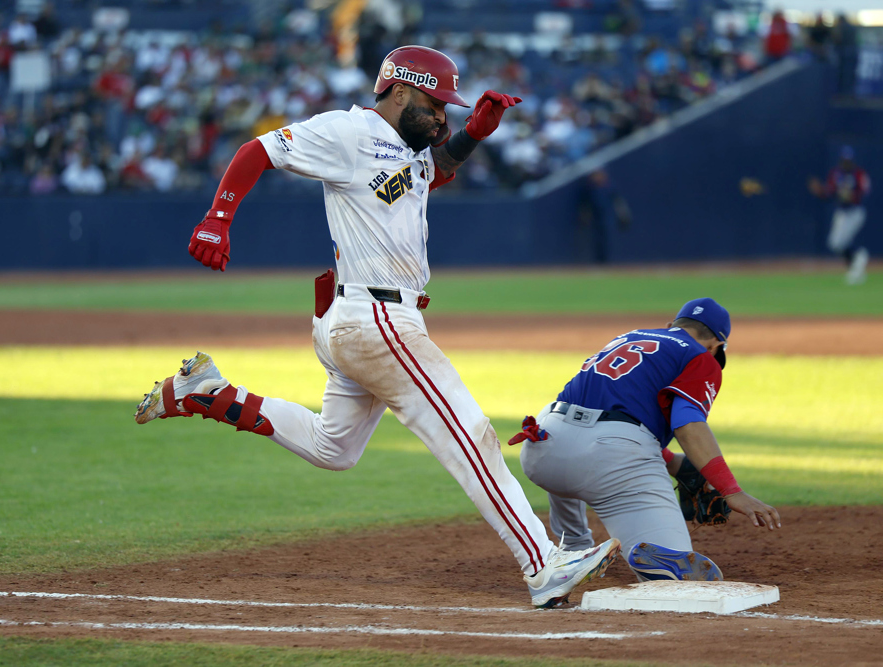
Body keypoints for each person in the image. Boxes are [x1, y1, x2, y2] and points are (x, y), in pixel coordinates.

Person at [134, 45, 621, 608]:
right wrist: (217, 219)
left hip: (358, 319)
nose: (442, 116)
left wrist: (472, 135)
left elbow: (428, 175)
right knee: (469, 435)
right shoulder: (348, 132)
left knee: (333, 447)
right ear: (401, 91)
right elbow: (257, 150)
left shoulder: (407, 148)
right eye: (436, 104)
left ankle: (209, 393)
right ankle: (543, 564)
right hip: (376, 317)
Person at [510, 298, 781, 581]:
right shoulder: (700, 356)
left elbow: (599, 420)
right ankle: (657, 558)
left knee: (573, 450)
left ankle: (573, 550)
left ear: (671, 325)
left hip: (543, 445)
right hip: (606, 462)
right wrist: (731, 490)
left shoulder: (629, 337)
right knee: (682, 575)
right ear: (716, 345)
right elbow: (687, 423)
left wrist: (672, 462)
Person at [809, 146, 871, 284]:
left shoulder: (859, 174)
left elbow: (864, 191)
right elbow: (829, 194)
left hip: (855, 212)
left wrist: (852, 196)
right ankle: (858, 258)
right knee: (835, 243)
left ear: (852, 160)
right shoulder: (835, 173)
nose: (846, 163)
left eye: (848, 160)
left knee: (842, 242)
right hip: (842, 213)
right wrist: (820, 191)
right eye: (844, 160)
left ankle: (856, 264)